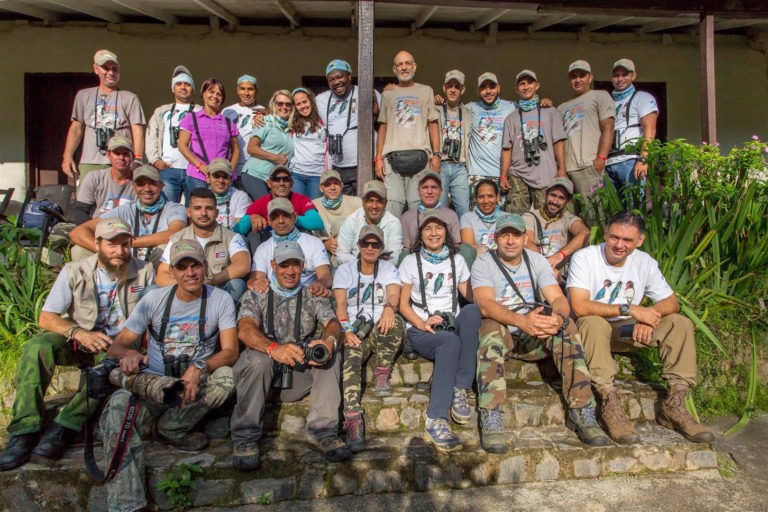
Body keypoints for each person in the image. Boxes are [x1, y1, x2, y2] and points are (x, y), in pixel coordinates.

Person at [0, 219, 154, 471]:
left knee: (108, 370)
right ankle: (24, 430)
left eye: (125, 245)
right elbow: (46, 317)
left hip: (120, 346)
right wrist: (78, 333)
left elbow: (152, 317)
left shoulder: (145, 271)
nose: (119, 251)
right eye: (112, 245)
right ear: (97, 244)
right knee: (38, 347)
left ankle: (64, 427)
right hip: (80, 338)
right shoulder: (75, 270)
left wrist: (135, 349)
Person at [100, 239, 238, 511]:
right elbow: (116, 347)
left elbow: (231, 351)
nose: (190, 273)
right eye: (182, 267)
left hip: (192, 388)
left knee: (226, 378)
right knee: (117, 405)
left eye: (195, 265)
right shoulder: (154, 300)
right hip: (154, 386)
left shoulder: (220, 299)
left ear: (205, 266)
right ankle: (127, 503)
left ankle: (171, 427)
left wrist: (199, 367)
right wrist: (128, 354)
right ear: (172, 272)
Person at [568, 211, 713, 444]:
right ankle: (608, 401)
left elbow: (671, 302)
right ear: (605, 233)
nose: (619, 245)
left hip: (629, 329)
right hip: (594, 331)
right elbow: (579, 306)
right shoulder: (585, 258)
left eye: (627, 240)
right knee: (592, 322)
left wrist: (647, 317)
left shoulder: (644, 262)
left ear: (640, 240)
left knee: (680, 323)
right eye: (614, 237)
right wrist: (631, 310)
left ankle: (675, 403)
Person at [473, 213, 609, 454]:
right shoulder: (483, 263)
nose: (511, 241)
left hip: (533, 333)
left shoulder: (537, 261)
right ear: (495, 238)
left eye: (516, 235)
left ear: (525, 238)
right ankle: (491, 414)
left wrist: (556, 318)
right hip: (505, 332)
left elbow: (558, 298)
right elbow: (485, 304)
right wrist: (521, 321)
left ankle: (581, 409)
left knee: (567, 326)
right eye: (505, 235)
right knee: (491, 326)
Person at [231, 241, 349, 469]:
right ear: (273, 265)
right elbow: (245, 329)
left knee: (329, 354)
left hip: (296, 373)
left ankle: (322, 431)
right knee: (258, 360)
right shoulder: (256, 293)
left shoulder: (312, 294)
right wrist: (273, 349)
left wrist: (329, 341)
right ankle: (245, 439)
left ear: (303, 266)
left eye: (295, 264)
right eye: (284, 265)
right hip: (261, 375)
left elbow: (332, 323)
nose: (290, 271)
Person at [397, 210, 481, 451]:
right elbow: (403, 304)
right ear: (420, 234)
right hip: (422, 329)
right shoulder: (410, 262)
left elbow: (470, 296)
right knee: (450, 342)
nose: (433, 233)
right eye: (428, 229)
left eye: (438, 228)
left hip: (450, 324)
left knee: (472, 312)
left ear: (446, 232)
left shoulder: (458, 261)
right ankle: (436, 418)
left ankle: (460, 386)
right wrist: (421, 322)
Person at [334, 225, 403, 451]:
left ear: (382, 247)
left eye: (375, 244)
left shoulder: (388, 269)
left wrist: (389, 308)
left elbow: (394, 293)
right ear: (358, 245)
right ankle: (352, 417)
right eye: (366, 243)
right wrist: (346, 330)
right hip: (354, 329)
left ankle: (382, 371)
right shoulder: (344, 270)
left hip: (379, 327)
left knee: (394, 322)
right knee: (351, 359)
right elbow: (340, 305)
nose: (370, 248)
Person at [62, 49, 145, 187]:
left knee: (120, 197)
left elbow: (138, 130)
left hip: (121, 161)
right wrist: (67, 156)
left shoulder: (130, 98)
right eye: (105, 68)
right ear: (96, 69)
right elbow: (76, 128)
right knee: (87, 196)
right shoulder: (84, 95)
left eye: (114, 69)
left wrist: (137, 158)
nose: (110, 73)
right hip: (90, 161)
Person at [71, 165, 187, 264]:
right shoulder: (125, 210)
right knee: (79, 250)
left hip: (155, 266)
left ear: (161, 185)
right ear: (134, 187)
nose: (147, 189)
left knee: (164, 248)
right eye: (141, 184)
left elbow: (174, 234)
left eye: (152, 184)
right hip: (126, 261)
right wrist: (105, 250)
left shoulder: (175, 208)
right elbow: (77, 232)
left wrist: (127, 243)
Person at [375, 50, 441, 216]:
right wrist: (378, 158)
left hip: (420, 159)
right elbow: (383, 126)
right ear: (394, 69)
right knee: (392, 208)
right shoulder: (388, 94)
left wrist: (436, 155)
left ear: (414, 66)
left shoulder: (426, 91)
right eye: (400, 64)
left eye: (407, 63)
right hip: (392, 160)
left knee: (418, 210)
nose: (404, 67)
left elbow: (432, 124)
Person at [157, 188, 250, 302]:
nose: (203, 213)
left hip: (216, 294)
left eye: (209, 208)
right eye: (197, 208)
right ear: (189, 212)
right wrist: (191, 283)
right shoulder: (177, 238)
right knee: (149, 291)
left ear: (216, 213)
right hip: (185, 294)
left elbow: (242, 265)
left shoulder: (231, 237)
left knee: (237, 285)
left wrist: (210, 280)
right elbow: (161, 277)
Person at [501, 70, 567, 214]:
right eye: (522, 84)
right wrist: (503, 176)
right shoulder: (511, 118)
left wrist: (562, 169)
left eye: (530, 83)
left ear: (537, 86)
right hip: (518, 175)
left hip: (545, 174)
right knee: (516, 217)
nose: (526, 87)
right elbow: (507, 149)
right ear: (516, 89)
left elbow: (558, 142)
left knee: (545, 216)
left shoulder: (550, 111)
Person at [557, 60, 615, 221]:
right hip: (568, 169)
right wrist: (561, 168)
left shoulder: (600, 96)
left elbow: (608, 127)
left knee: (595, 216)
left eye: (582, 75)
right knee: (570, 218)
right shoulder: (562, 107)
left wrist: (601, 158)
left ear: (590, 77)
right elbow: (559, 140)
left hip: (589, 166)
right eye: (574, 76)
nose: (578, 80)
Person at [316, 59, 381, 195]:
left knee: (364, 202)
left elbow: (384, 118)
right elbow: (300, 109)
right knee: (344, 204)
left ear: (349, 76)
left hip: (364, 164)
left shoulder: (366, 92)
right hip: (337, 166)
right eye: (331, 79)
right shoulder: (320, 99)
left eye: (340, 77)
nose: (336, 82)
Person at [247, 198, 332, 296]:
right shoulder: (263, 249)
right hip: (274, 297)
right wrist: (256, 283)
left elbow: (326, 277)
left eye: (286, 215)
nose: (281, 221)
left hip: (309, 295)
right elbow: (255, 279)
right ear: (269, 220)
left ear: (295, 217)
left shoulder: (314, 242)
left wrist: (319, 285)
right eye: (275, 217)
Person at [178, 78, 240, 202]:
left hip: (221, 176)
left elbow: (236, 150)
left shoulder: (228, 123)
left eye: (219, 94)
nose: (215, 96)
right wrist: (200, 166)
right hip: (198, 176)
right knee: (198, 209)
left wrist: (229, 170)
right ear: (203, 94)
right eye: (211, 92)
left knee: (222, 209)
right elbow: (182, 146)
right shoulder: (191, 118)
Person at [605, 59, 658, 203]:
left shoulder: (642, 98)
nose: (620, 79)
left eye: (625, 75)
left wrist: (643, 159)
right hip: (608, 163)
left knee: (634, 207)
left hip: (631, 160)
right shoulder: (607, 102)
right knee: (612, 210)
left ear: (633, 76)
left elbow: (650, 129)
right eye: (616, 75)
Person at [146, 65, 201, 203]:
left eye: (187, 84)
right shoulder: (162, 111)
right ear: (173, 88)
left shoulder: (201, 111)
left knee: (196, 208)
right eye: (179, 84)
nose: (183, 87)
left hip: (194, 170)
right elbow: (151, 136)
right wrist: (155, 160)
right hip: (168, 170)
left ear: (193, 89)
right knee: (168, 208)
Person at [522, 177, 589, 283]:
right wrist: (546, 267)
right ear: (545, 194)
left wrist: (560, 255)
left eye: (561, 198)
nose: (555, 201)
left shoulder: (568, 218)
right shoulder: (530, 217)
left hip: (562, 277)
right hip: (535, 272)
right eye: (553, 195)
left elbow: (585, 234)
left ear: (568, 201)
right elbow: (527, 241)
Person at [233, 165, 324, 243]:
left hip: (295, 241)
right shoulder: (260, 202)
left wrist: (291, 218)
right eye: (276, 179)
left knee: (305, 231)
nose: (281, 183)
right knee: (253, 235)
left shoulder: (301, 199)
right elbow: (237, 230)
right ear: (269, 183)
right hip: (269, 242)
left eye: (286, 179)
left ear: (292, 183)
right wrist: (251, 218)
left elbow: (317, 223)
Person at [465, 72, 517, 207]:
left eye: (492, 86)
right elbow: (451, 109)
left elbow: (531, 107)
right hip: (476, 174)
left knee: (500, 216)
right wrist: (439, 101)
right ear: (477, 91)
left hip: (501, 175)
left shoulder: (512, 107)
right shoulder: (469, 108)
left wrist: (544, 103)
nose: (488, 91)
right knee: (476, 214)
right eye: (483, 87)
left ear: (498, 88)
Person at [70, 135, 137, 226]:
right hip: (98, 228)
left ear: (133, 157)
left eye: (125, 154)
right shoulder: (94, 178)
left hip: (129, 229)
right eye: (117, 153)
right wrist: (90, 229)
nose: (121, 157)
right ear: (108, 155)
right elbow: (79, 211)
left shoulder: (140, 182)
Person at [240, 90, 294, 201]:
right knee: (267, 206)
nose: (284, 107)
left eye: (288, 104)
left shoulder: (293, 127)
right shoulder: (264, 121)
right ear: (274, 105)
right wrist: (275, 157)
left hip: (276, 179)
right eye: (280, 103)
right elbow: (251, 148)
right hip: (256, 174)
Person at [336, 181, 403, 265]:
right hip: (355, 267)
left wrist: (375, 265)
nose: (374, 206)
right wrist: (363, 264)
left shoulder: (393, 222)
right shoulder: (352, 220)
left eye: (379, 201)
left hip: (383, 268)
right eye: (370, 200)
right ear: (363, 202)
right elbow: (341, 255)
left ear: (386, 203)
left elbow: (395, 256)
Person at [436, 70, 472, 219]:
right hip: (441, 165)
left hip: (460, 166)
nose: (453, 90)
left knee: (464, 210)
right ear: (444, 88)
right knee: (440, 209)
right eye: (449, 86)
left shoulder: (469, 112)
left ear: (463, 89)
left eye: (457, 87)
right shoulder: (435, 109)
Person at [400, 169, 461, 252]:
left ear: (441, 192)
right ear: (418, 191)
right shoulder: (406, 217)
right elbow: (406, 249)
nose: (429, 192)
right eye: (425, 187)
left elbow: (456, 245)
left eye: (434, 187)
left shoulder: (451, 215)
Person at [312, 169, 362, 267]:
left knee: (341, 223)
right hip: (325, 254)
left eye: (336, 183)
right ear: (321, 188)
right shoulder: (314, 205)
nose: (333, 188)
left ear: (342, 186)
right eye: (328, 184)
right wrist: (325, 243)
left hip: (352, 250)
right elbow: (311, 236)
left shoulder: (356, 202)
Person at [222, 74, 266, 176]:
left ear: (256, 90)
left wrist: (270, 112)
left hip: (253, 169)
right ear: (238, 90)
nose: (246, 93)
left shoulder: (263, 111)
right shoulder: (227, 111)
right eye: (242, 89)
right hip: (230, 167)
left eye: (250, 89)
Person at [289, 88, 327, 199]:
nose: (302, 106)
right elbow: (277, 114)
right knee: (297, 206)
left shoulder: (323, 119)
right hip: (297, 173)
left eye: (304, 101)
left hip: (317, 174)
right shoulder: (292, 122)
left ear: (311, 101)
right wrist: (263, 114)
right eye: (298, 104)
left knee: (313, 206)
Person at [460, 178, 502, 258]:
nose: (486, 201)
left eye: (490, 196)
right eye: (481, 197)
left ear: (497, 197)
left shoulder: (507, 217)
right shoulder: (467, 218)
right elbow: (469, 249)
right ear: (476, 199)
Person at [206, 158, 250, 230]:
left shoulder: (240, 196)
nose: (221, 180)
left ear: (231, 179)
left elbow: (238, 229)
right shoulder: (200, 198)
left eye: (225, 177)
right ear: (207, 178)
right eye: (216, 176)